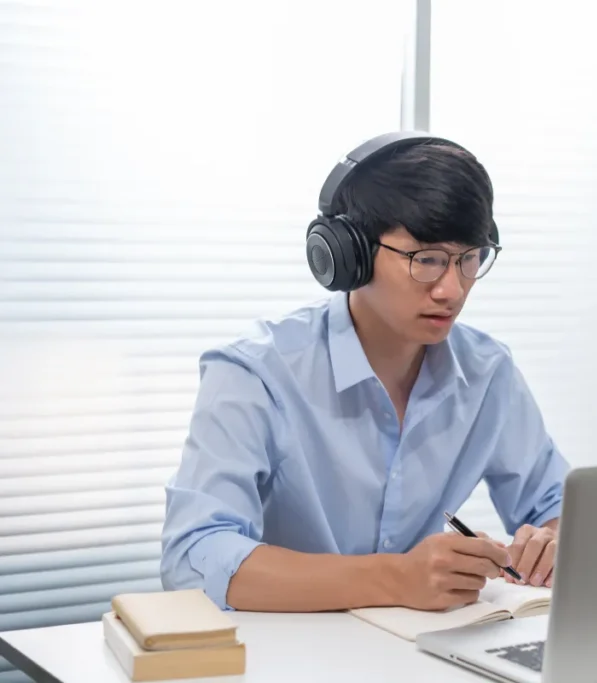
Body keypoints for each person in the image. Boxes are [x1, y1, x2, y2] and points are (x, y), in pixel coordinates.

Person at [160, 132, 569, 614]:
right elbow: (192, 557)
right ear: (346, 254)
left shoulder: (487, 372)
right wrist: (395, 579)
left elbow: (558, 507)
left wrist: (553, 542)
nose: (452, 290)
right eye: (428, 260)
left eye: (469, 259)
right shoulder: (256, 373)